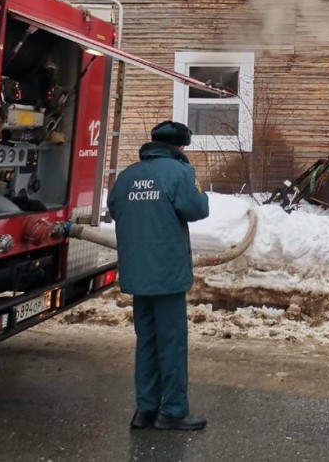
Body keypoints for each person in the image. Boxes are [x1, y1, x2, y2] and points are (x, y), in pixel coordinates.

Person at [107, 120, 210, 431]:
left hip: (137, 274)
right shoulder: (180, 173)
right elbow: (197, 209)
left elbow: (114, 209)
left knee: (147, 342)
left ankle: (145, 410)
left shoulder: (127, 176)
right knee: (172, 343)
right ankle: (174, 411)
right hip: (167, 274)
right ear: (180, 147)